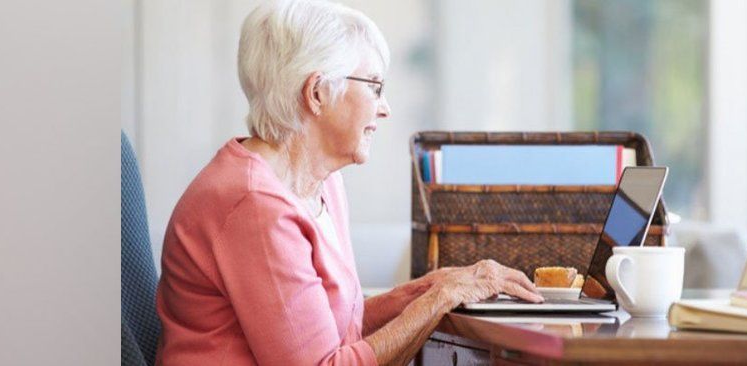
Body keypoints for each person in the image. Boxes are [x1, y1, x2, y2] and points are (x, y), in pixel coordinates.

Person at [153, 1, 543, 365]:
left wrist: (429, 287)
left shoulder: (322, 183)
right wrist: (439, 299)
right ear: (317, 93)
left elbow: (337, 331)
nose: (384, 107)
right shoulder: (255, 206)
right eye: (374, 86)